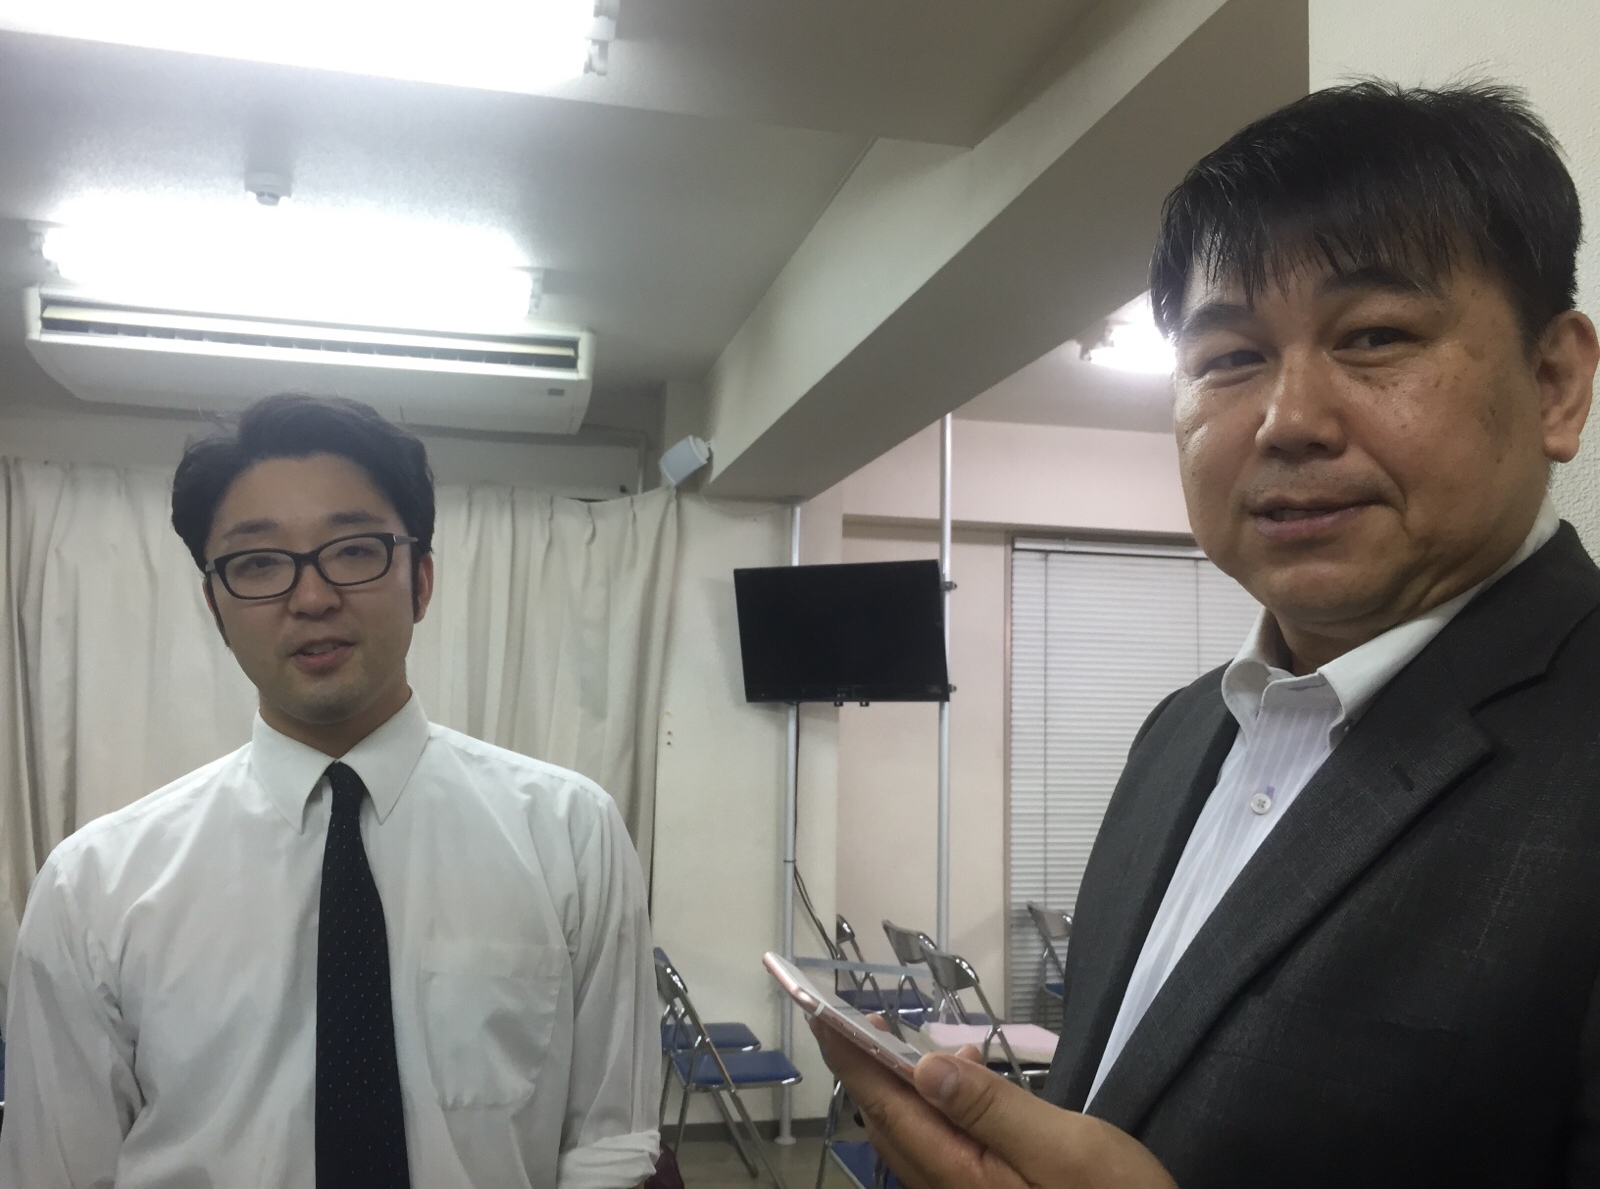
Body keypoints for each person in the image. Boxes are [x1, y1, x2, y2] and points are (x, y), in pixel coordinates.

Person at [818, 80, 1600, 1187]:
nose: (1288, 420)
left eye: (1375, 336)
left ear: (1555, 383)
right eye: (1229, 357)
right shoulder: (1176, 734)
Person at [0, 394, 660, 1188]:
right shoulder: (94, 888)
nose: (311, 598)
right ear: (215, 607)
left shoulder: (569, 834)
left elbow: (608, 1147)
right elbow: (56, 1169)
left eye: (352, 551)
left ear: (421, 581)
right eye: (257, 563)